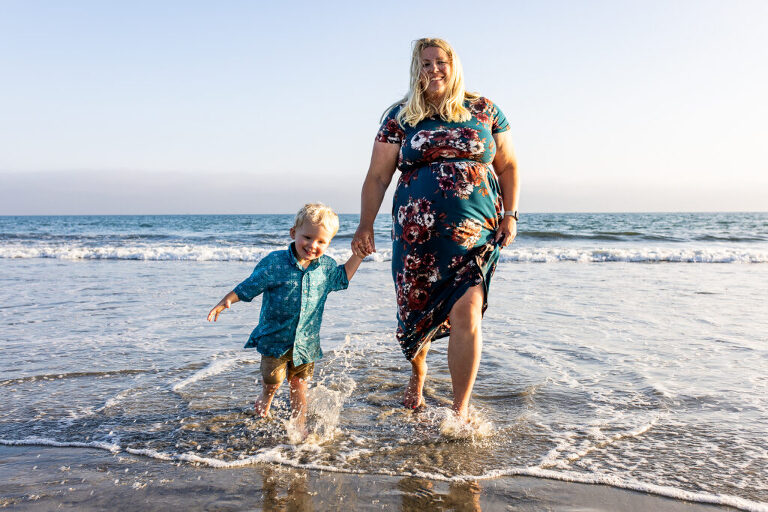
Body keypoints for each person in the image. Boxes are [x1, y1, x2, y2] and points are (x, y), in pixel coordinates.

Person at [352, 38, 519, 422]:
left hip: (474, 235)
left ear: (453, 65)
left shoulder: (484, 110)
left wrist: (511, 213)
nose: (433, 70)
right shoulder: (401, 116)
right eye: (425, 64)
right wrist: (365, 224)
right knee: (417, 312)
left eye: (440, 62)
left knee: (468, 311)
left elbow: (508, 166)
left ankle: (459, 412)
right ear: (416, 69)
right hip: (417, 237)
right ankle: (418, 372)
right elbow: (377, 177)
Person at [208, 203, 368, 435]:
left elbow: (343, 278)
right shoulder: (275, 263)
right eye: (308, 237)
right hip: (275, 339)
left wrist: (358, 255)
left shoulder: (325, 268)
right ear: (294, 233)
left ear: (329, 243)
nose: (313, 245)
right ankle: (266, 395)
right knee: (273, 380)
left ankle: (298, 426)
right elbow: (250, 285)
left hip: (306, 343)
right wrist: (227, 299)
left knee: (299, 384)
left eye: (322, 241)